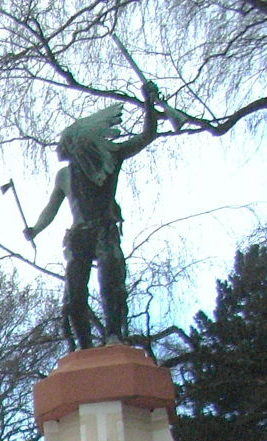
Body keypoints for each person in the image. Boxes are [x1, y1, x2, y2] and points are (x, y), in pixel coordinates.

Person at [24, 83, 164, 350]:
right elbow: (51, 208)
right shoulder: (64, 175)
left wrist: (149, 105)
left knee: (111, 286)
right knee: (74, 295)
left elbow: (147, 135)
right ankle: (84, 346)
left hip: (104, 230)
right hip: (78, 236)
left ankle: (113, 336)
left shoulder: (111, 158)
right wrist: (36, 228)